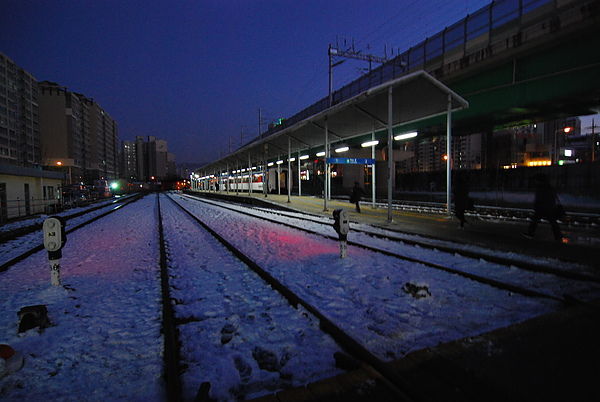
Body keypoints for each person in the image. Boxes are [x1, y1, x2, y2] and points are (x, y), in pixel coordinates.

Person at [522, 174, 566, 243]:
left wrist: (536, 205)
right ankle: (558, 236)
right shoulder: (549, 187)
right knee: (553, 222)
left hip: (542, 207)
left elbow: (540, 198)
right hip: (549, 207)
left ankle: (530, 234)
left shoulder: (541, 188)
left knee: (535, 221)